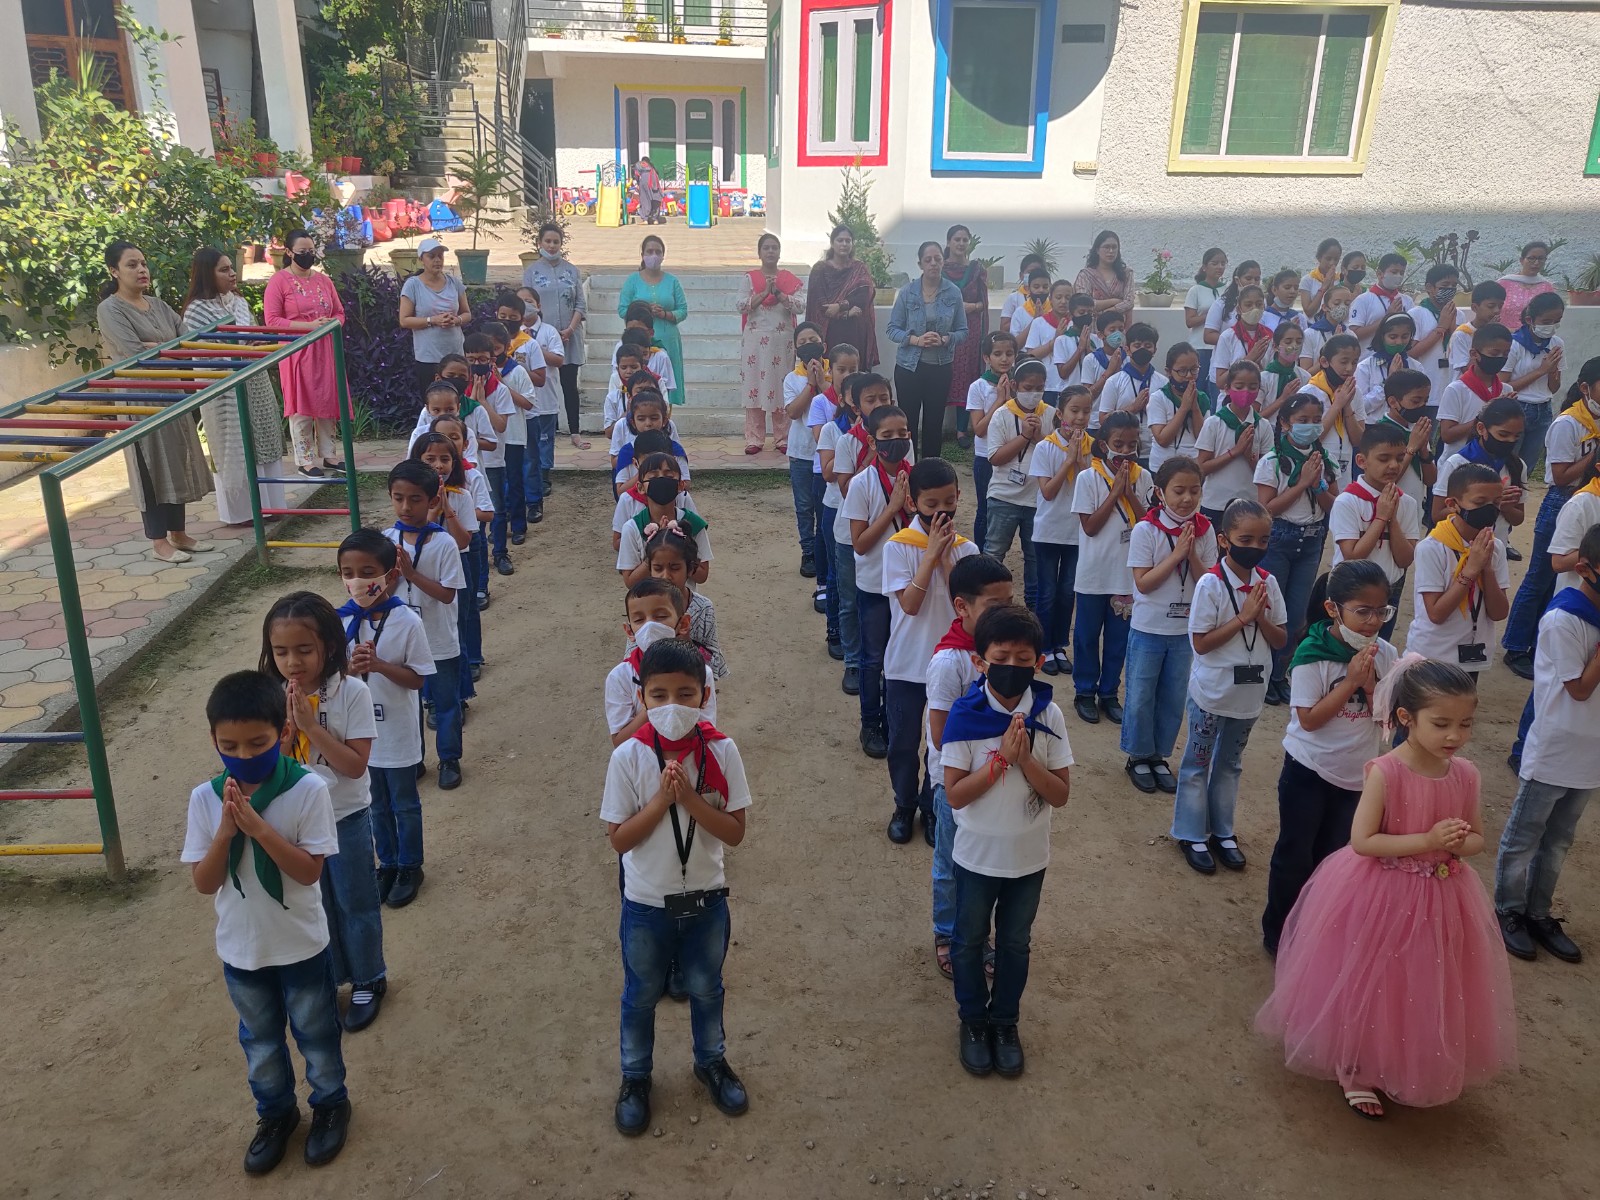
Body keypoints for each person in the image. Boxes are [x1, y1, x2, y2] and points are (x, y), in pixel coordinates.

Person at [1256, 658, 1517, 1119]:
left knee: (1425, 980)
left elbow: (1476, 836)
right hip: (1382, 892)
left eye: (1465, 724)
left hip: (1443, 896)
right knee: (1373, 978)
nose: (1455, 736)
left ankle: (1402, 1055)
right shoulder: (1384, 771)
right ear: (1405, 719)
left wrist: (1459, 844)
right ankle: (1355, 1066)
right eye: (1441, 724)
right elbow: (1363, 841)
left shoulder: (1467, 774)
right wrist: (1429, 841)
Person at [183, 670, 350, 1174]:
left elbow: (309, 871)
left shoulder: (307, 791)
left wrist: (258, 830)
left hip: (300, 945)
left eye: (257, 742)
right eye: (228, 744)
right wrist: (226, 833)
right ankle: (275, 1115)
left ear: (282, 733)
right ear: (213, 739)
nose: (243, 753)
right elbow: (205, 882)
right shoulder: (206, 798)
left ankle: (330, 1105)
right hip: (243, 950)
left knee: (316, 1033)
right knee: (259, 1042)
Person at [605, 638, 752, 1137]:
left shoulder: (721, 750)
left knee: (707, 987)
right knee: (640, 992)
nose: (673, 707)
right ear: (642, 697)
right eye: (660, 694)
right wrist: (661, 803)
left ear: (704, 694)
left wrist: (688, 798)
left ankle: (711, 1061)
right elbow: (619, 839)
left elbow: (734, 831)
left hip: (708, 898)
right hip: (645, 902)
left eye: (686, 695)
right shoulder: (629, 757)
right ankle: (635, 1076)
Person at [943, 604, 1073, 1079]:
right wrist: (999, 762)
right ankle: (973, 1020)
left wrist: (1024, 762)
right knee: (969, 940)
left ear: (1039, 661)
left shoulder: (1049, 713)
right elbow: (956, 795)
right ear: (980, 660)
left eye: (1024, 658)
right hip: (977, 856)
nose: (1012, 667)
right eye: (1002, 656)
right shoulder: (965, 714)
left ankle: (1005, 1021)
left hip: (1028, 858)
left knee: (1016, 943)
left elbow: (1059, 794)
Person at [261, 592, 385, 1032]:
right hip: (297, 821)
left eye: (303, 650)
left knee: (356, 903)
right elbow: (262, 765)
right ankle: (330, 977)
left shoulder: (351, 692)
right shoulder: (272, 698)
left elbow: (354, 765)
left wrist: (311, 728)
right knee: (315, 906)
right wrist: (281, 739)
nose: (292, 662)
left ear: (329, 647)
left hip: (346, 816)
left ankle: (370, 977)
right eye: (281, 652)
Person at [1261, 561, 1399, 955]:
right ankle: (1278, 933)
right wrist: (1352, 682)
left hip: (1356, 777)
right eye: (1363, 611)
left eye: (1382, 611)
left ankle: (1315, 928)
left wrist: (1372, 687)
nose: (1374, 621)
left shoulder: (1386, 653)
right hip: (1308, 771)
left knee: (1334, 857)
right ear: (1333, 609)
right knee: (1294, 855)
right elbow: (1309, 720)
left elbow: (1388, 720)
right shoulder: (1312, 653)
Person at [1495, 521, 1600, 964]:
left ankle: (1540, 913)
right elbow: (1578, 688)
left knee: (1559, 841)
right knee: (1525, 836)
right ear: (1585, 568)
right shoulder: (1564, 618)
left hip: (1591, 750)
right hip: (1557, 745)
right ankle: (1509, 910)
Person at [1172, 498, 1286, 875]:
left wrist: (1260, 618)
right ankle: (1191, 833)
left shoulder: (1267, 583)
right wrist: (1243, 618)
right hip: (1213, 691)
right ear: (1225, 540)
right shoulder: (1211, 584)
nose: (1255, 547)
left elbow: (1281, 638)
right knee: (1198, 763)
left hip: (1248, 695)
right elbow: (1201, 643)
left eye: (1263, 540)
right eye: (1246, 539)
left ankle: (1222, 832)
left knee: (1230, 765)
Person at [96, 239, 213, 562]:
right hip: (139, 399)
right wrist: (165, 347)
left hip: (171, 394)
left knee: (177, 461)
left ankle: (179, 533)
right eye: (132, 264)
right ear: (114, 271)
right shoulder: (110, 309)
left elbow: (187, 340)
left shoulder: (159, 305)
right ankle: (158, 540)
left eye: (143, 263)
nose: (141, 270)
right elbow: (136, 353)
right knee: (150, 466)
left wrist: (161, 346)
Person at [926, 554, 1015, 978]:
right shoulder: (950, 663)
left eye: (1011, 603)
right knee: (950, 863)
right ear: (962, 608)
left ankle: (978, 934)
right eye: (995, 607)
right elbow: (941, 736)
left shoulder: (1006, 654)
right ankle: (948, 933)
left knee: (985, 861)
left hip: (995, 776)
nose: (1007, 614)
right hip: (954, 781)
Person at [883, 458, 979, 845]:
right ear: (912, 501)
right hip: (907, 663)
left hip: (953, 666)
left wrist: (946, 557)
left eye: (949, 502)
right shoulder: (898, 546)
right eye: (930, 505)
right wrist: (930, 556)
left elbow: (966, 602)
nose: (941, 513)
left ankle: (932, 805)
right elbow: (909, 604)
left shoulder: (967, 548)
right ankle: (904, 804)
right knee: (903, 743)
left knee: (943, 745)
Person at [337, 529, 432, 909]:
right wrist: (349, 667)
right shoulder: (341, 619)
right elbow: (332, 676)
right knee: (374, 803)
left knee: (404, 804)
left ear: (390, 574)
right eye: (347, 572)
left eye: (366, 571)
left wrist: (379, 665)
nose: (356, 581)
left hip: (397, 730)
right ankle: (387, 863)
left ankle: (411, 865)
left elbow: (418, 678)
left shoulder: (406, 621)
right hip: (360, 734)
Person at [1503, 359, 1600, 681]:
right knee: (1540, 577)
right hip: (1565, 500)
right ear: (1586, 388)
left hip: (1591, 495)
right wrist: (1594, 456)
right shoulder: (1568, 423)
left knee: (1563, 580)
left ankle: (1539, 642)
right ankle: (1516, 646)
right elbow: (1559, 477)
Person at [1124, 457, 1215, 794]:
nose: (1187, 498)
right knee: (1141, 694)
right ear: (1160, 492)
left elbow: (1207, 583)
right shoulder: (1145, 530)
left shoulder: (1205, 530)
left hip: (1184, 630)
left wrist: (1190, 553)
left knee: (1174, 696)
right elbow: (1144, 583)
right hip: (1149, 627)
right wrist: (1176, 555)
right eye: (1178, 491)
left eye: (1195, 491)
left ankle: (1160, 754)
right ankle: (1138, 755)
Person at [181, 247, 286, 523]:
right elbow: (202, 352)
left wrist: (254, 345)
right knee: (234, 444)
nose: (232, 274)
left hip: (254, 379)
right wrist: (238, 349)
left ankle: (271, 506)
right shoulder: (196, 311)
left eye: (231, 268)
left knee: (263, 437)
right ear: (207, 274)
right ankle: (242, 514)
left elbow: (251, 334)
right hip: (223, 388)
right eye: (224, 270)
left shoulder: (238, 302)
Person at [385, 461, 467, 791]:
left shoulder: (443, 543)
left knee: (446, 702)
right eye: (398, 498)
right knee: (407, 703)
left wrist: (412, 575)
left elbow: (447, 594)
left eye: (416, 499)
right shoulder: (387, 540)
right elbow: (382, 593)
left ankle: (449, 759)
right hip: (400, 642)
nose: (406, 507)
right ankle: (414, 759)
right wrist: (389, 579)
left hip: (439, 639)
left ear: (433, 501)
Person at [1070, 411, 1152, 725]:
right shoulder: (1088, 477)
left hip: (1127, 577)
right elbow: (1089, 527)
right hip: (1093, 574)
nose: (1126, 450)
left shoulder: (1143, 477)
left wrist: (1129, 493)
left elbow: (1149, 525)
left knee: (1119, 639)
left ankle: (1108, 693)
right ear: (1104, 444)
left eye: (1132, 444)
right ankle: (1084, 691)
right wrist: (1115, 494)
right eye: (1119, 443)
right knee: (1087, 636)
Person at [1254, 393, 1336, 705]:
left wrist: (1318, 486)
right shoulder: (1273, 461)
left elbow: (1335, 507)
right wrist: (1301, 484)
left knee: (1297, 614)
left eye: (1316, 420)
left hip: (1312, 537)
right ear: (1286, 423)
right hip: (1279, 538)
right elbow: (1267, 510)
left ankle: (1279, 674)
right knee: (1271, 609)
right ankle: (1262, 676)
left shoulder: (1323, 461)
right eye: (1303, 421)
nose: (1311, 426)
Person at [845, 403, 915, 760]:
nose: (896, 442)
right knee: (873, 659)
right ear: (872, 441)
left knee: (902, 657)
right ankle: (870, 722)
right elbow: (859, 544)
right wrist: (893, 506)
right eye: (887, 436)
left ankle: (895, 719)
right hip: (874, 584)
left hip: (910, 585)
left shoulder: (916, 475)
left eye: (902, 435)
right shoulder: (863, 483)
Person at [1405, 463, 1510, 676]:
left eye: (1496, 503)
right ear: (1453, 504)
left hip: (1472, 659)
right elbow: (1436, 613)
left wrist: (1486, 568)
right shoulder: (1432, 548)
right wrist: (1470, 571)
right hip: (1432, 656)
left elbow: (1499, 612)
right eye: (1480, 502)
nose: (1490, 509)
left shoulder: (1494, 547)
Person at [830, 371, 898, 699]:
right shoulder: (848, 441)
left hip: (888, 536)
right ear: (856, 407)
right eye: (870, 400)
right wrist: (875, 452)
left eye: (883, 398)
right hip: (850, 535)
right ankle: (854, 661)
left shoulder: (901, 440)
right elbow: (845, 488)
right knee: (849, 600)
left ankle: (883, 660)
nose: (878, 404)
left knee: (883, 600)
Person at [262, 231, 347, 479]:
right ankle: (305, 459)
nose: (308, 255)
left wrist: (331, 323)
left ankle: (329, 454)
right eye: (302, 252)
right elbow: (272, 321)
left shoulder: (324, 281)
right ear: (288, 253)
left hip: (325, 349)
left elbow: (340, 313)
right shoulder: (279, 282)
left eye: (311, 250)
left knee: (327, 400)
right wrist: (308, 327)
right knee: (301, 404)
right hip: (297, 350)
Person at [1329, 422, 1423, 642]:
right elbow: (1352, 556)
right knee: (1347, 644)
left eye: (1400, 458)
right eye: (1383, 458)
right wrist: (1381, 517)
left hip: (1390, 587)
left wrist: (1392, 518)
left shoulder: (1406, 503)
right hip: (1352, 587)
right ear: (1362, 461)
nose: (1393, 465)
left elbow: (1405, 559)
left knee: (1379, 645)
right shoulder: (1347, 501)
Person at [1031, 386, 1095, 674]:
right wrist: (1069, 458)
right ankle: (1043, 647)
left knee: (1068, 592)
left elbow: (1091, 491)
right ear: (1060, 414)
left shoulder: (1093, 448)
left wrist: (1081, 460)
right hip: (1048, 531)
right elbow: (1047, 492)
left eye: (1086, 411)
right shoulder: (1046, 446)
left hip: (1076, 532)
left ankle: (1059, 645)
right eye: (1075, 411)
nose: (1080, 417)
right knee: (1047, 591)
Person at [887, 240, 969, 459]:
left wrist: (944, 339)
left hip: (940, 368)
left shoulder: (953, 293)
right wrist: (916, 340)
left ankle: (931, 469)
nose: (933, 264)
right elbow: (892, 329)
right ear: (920, 264)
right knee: (908, 422)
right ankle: (909, 467)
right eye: (928, 260)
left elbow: (963, 331)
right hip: (908, 367)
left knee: (934, 423)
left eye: (938, 259)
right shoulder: (907, 292)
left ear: (944, 261)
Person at [809, 342, 862, 655]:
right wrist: (855, 441)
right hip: (836, 509)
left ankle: (856, 632)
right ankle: (834, 634)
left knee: (859, 576)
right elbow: (829, 474)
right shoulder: (833, 428)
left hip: (868, 511)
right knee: (837, 575)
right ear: (842, 399)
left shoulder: (878, 431)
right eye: (856, 398)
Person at [984, 359, 1049, 609]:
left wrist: (1039, 436)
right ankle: (989, 605)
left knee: (1034, 558)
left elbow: (1056, 454)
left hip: (1037, 500)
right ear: (1014, 385)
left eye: (1039, 387)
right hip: (1004, 498)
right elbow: (995, 457)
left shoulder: (1050, 413)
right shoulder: (1002, 414)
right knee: (994, 552)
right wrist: (1024, 437)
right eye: (1028, 386)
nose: (1034, 393)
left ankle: (1032, 611)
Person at [521, 221, 590, 448]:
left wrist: (569, 329)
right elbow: (527, 304)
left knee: (569, 385)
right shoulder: (531, 272)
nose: (551, 246)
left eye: (556, 242)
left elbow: (580, 304)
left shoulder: (572, 271)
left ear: (561, 244)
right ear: (539, 243)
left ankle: (574, 431)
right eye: (547, 241)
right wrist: (544, 332)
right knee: (542, 382)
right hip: (542, 339)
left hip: (569, 336)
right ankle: (540, 431)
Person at [738, 232, 806, 453]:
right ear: (759, 252)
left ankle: (783, 438)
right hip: (755, 343)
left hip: (782, 342)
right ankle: (754, 438)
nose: (770, 251)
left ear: (779, 252)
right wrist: (764, 293)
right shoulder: (749, 278)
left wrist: (780, 294)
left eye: (774, 248)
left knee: (781, 385)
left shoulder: (788, 280)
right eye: (766, 248)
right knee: (755, 386)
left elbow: (800, 306)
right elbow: (740, 305)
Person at [617, 454, 712, 588]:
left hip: (685, 605)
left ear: (680, 485)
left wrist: (681, 547)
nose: (661, 480)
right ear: (640, 487)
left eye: (668, 476)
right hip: (649, 606)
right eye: (653, 477)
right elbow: (630, 582)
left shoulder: (692, 523)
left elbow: (702, 576)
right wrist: (656, 548)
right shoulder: (632, 528)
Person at [645, 526, 727, 680]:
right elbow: (630, 661)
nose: (665, 576)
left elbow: (715, 666)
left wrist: (688, 644)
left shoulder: (703, 609)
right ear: (650, 570)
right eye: (658, 568)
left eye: (674, 568)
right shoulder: (644, 609)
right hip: (653, 695)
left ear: (690, 569)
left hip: (691, 693)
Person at [1194, 361, 1271, 525]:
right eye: (1239, 386)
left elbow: (1267, 474)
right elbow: (1201, 468)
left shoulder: (1262, 425)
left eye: (1252, 387)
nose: (1246, 391)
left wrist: (1249, 455)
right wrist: (1235, 452)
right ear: (1227, 388)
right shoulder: (1214, 423)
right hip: (1216, 503)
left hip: (1250, 503)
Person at [618, 235, 688, 407]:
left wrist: (665, 314)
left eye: (658, 252)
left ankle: (665, 417)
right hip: (639, 341)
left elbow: (683, 310)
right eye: (649, 251)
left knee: (666, 381)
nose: (654, 255)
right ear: (642, 254)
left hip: (668, 338)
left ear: (664, 255)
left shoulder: (672, 281)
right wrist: (643, 311)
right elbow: (622, 309)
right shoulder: (633, 280)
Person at [1503, 291, 1567, 477]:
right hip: (1517, 406)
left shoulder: (1556, 343)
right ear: (1530, 320)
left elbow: (1554, 388)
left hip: (1543, 409)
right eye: (1546, 322)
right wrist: (1541, 370)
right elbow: (1503, 385)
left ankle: (1519, 500)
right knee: (1508, 464)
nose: (1552, 326)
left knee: (1527, 468)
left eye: (1557, 320)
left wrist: (1553, 371)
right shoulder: (1514, 344)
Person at [784, 322, 830, 581]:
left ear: (823, 345)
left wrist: (823, 381)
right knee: (804, 506)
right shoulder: (792, 378)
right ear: (796, 349)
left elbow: (839, 406)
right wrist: (810, 385)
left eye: (813, 340)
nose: (808, 345)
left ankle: (826, 549)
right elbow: (792, 412)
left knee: (827, 503)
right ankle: (809, 552)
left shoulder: (835, 372)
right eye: (802, 342)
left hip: (829, 452)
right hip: (801, 453)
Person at [397, 237, 469, 394]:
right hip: (428, 357)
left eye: (440, 256)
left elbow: (467, 314)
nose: (437, 260)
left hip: (455, 353)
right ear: (421, 259)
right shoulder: (413, 285)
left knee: (458, 400)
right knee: (433, 401)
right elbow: (404, 320)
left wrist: (456, 320)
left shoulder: (454, 282)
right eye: (432, 256)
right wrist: (432, 321)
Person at [807, 223, 880, 369]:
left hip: (855, 330)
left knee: (855, 372)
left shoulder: (859, 269)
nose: (844, 244)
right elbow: (822, 305)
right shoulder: (820, 269)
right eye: (840, 240)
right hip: (829, 331)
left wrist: (840, 306)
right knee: (832, 372)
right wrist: (846, 313)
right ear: (832, 243)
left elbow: (864, 296)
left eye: (848, 241)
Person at [1438, 323, 1515, 461]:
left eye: (1506, 354)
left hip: (1493, 463)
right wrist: (1487, 415)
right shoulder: (1456, 390)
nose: (1500, 358)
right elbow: (1447, 435)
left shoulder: (1506, 390)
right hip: (1459, 466)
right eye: (1494, 353)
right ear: (1474, 354)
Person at [943, 224, 990, 430]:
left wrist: (968, 307)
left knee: (967, 373)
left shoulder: (977, 270)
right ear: (948, 242)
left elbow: (983, 304)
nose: (961, 243)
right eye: (957, 239)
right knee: (944, 372)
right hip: (945, 329)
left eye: (964, 239)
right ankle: (938, 426)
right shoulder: (939, 269)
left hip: (970, 331)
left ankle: (962, 429)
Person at [1096, 322, 1163, 460]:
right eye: (1137, 346)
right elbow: (1103, 419)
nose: (1142, 350)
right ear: (1127, 349)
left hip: (1155, 452)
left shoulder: (1163, 382)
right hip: (1124, 452)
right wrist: (1132, 408)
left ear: (1155, 350)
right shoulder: (1114, 382)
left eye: (1148, 346)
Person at [1372, 368, 1437, 509]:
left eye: (1425, 401)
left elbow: (1431, 480)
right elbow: (1389, 480)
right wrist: (1412, 448)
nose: (1421, 406)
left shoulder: (1417, 429)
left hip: (1415, 505)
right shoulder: (1381, 432)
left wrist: (1424, 451)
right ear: (1393, 402)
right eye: (1415, 401)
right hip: (1391, 509)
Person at [1405, 263, 1462, 406]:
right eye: (1445, 284)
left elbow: (1462, 351)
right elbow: (1410, 353)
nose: (1450, 289)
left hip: (1450, 387)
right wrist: (1440, 328)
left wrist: (1453, 327)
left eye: (1454, 285)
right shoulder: (1416, 314)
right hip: (1425, 389)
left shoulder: (1459, 314)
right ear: (1429, 288)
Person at [1353, 314, 1424, 423]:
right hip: (1375, 429)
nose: (1399, 342)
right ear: (1382, 337)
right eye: (1393, 337)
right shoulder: (1365, 367)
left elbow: (1421, 403)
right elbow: (1360, 407)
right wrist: (1387, 382)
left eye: (1405, 336)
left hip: (1407, 428)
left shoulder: (1416, 366)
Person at [1148, 344, 1208, 471]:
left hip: (1192, 465)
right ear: (1168, 372)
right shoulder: (1158, 397)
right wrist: (1184, 408)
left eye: (1194, 369)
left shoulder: (1202, 398)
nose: (1189, 376)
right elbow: (1162, 439)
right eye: (1182, 371)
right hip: (1162, 466)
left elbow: (1203, 439)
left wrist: (1195, 407)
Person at [1210, 285, 1271, 392]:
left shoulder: (1269, 336)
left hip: (1262, 397)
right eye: (1248, 305)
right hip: (1232, 399)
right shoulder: (1228, 337)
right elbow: (1220, 382)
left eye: (1259, 304)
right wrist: (1248, 360)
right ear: (1239, 309)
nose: (1254, 309)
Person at [1185, 248, 1227, 389]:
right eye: (1215, 263)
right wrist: (1210, 314)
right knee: (1200, 385)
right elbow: (1190, 321)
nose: (1219, 267)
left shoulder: (1227, 290)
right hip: (1200, 345)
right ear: (1204, 267)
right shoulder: (1195, 290)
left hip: (1220, 344)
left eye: (1223, 263)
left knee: (1218, 385)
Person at [1497, 240, 1558, 332]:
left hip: (1534, 338)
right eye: (1531, 258)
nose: (1536, 263)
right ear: (1522, 260)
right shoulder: (1504, 283)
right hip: (1504, 337)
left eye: (1541, 258)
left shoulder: (1547, 288)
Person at [1347, 253, 1410, 340]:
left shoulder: (1407, 300)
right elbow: (1353, 334)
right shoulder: (1363, 300)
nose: (1398, 276)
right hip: (1369, 353)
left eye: (1401, 273)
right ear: (1380, 274)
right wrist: (1386, 317)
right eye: (1394, 272)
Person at [1073, 230, 1135, 315]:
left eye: (1114, 247)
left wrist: (1107, 312)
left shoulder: (1126, 273)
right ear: (1097, 250)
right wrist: (1114, 301)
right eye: (1106, 247)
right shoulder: (1086, 275)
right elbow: (1084, 303)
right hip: (1092, 324)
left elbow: (1129, 302)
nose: (1111, 251)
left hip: (1119, 324)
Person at [1258, 320, 1309, 419]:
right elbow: (1255, 417)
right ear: (1275, 346)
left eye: (1299, 342)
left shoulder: (1305, 377)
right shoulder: (1263, 378)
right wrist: (1283, 398)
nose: (1294, 346)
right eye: (1288, 341)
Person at [1299, 282, 1351, 373]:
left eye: (1347, 304)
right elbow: (1305, 374)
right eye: (1337, 303)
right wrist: (1332, 348)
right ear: (1325, 307)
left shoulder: (1350, 335)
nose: (1342, 307)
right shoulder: (1310, 334)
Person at [1297, 238, 1342, 320]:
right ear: (1319, 258)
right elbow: (1308, 312)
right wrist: (1324, 287)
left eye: (1336, 259)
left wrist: (1331, 288)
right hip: (1312, 326)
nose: (1332, 263)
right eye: (1328, 259)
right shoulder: (1308, 280)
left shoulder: (1340, 280)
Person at [633, 155, 667, 225]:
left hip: (645, 182)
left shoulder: (640, 165)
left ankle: (645, 219)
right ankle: (655, 220)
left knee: (645, 200)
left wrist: (638, 183)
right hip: (655, 183)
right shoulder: (652, 168)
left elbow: (636, 175)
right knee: (656, 200)